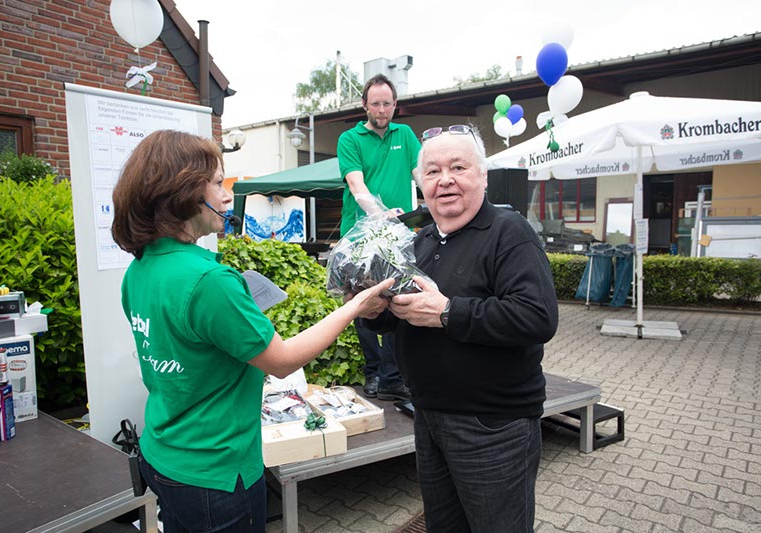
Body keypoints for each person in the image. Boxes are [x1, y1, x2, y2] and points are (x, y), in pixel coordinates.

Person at [111, 130, 393, 533]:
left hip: (162, 456)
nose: (227, 195)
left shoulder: (140, 270)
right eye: (215, 182)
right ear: (183, 191)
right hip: (217, 473)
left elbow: (185, 342)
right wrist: (354, 307)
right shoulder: (209, 280)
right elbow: (282, 362)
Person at [361, 125, 559, 532]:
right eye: (432, 171)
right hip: (429, 416)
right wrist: (369, 308)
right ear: (420, 184)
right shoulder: (420, 241)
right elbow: (398, 318)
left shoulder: (510, 233)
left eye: (458, 167)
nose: (445, 180)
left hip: (492, 424)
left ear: (482, 176)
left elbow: (537, 316)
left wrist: (449, 312)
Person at [336, 73, 421, 401]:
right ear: (364, 105)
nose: (382, 110)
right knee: (364, 304)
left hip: (398, 236)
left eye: (387, 104)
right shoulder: (350, 139)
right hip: (359, 235)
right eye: (376, 104)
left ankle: (390, 376)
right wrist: (378, 213)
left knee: (399, 300)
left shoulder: (406, 135)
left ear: (395, 105)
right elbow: (356, 184)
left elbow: (420, 173)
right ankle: (374, 374)